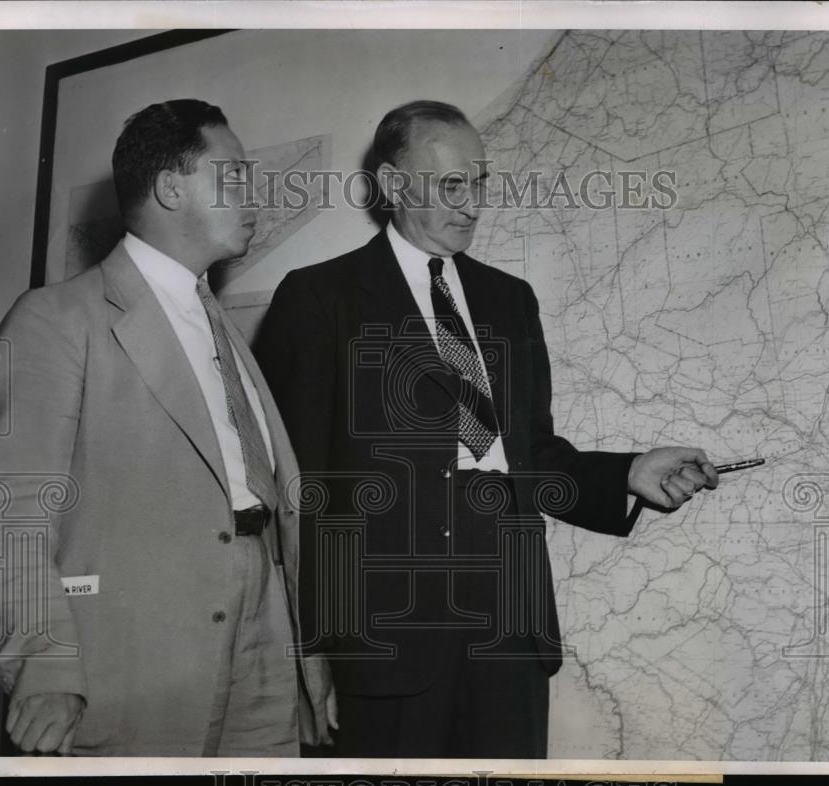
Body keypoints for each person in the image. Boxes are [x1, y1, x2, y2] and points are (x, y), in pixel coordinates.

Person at [256, 100, 718, 759]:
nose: (472, 203)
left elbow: (530, 455)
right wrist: (313, 654)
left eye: (479, 183)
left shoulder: (509, 300)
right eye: (451, 184)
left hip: (509, 636)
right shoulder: (319, 298)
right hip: (383, 649)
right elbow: (298, 491)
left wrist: (628, 472)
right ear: (392, 185)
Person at [0, 99, 334, 756]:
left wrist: (306, 655)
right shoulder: (56, 318)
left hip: (263, 647)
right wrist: (42, 664)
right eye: (236, 175)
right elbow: (9, 511)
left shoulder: (222, 327)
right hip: (136, 662)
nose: (256, 192)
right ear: (170, 187)